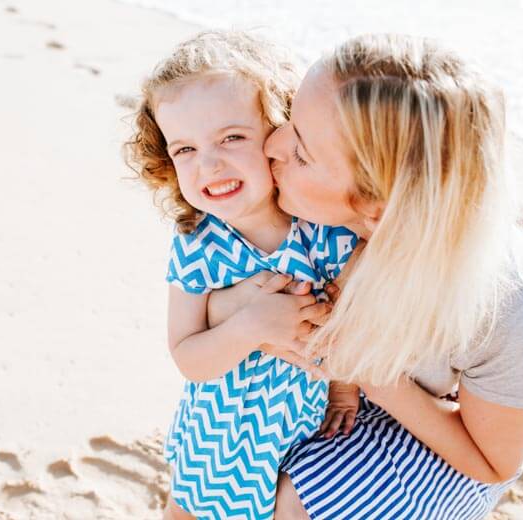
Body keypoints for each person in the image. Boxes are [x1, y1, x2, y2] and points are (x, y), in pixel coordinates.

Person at [208, 33, 523, 519]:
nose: (273, 143)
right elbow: (201, 299)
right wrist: (239, 306)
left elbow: (493, 462)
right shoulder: (310, 203)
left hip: (447, 433)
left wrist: (365, 371)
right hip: (353, 388)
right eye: (290, 118)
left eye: (302, 152)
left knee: (301, 503)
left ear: (377, 210)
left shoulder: (499, 301)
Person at [125, 30, 359, 519]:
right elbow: (188, 355)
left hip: (301, 436)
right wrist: (251, 326)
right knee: (185, 512)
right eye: (184, 149)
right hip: (215, 442)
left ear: (279, 133)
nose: (209, 164)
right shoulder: (196, 243)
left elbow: (355, 319)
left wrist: (343, 387)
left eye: (231, 137)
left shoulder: (326, 228)